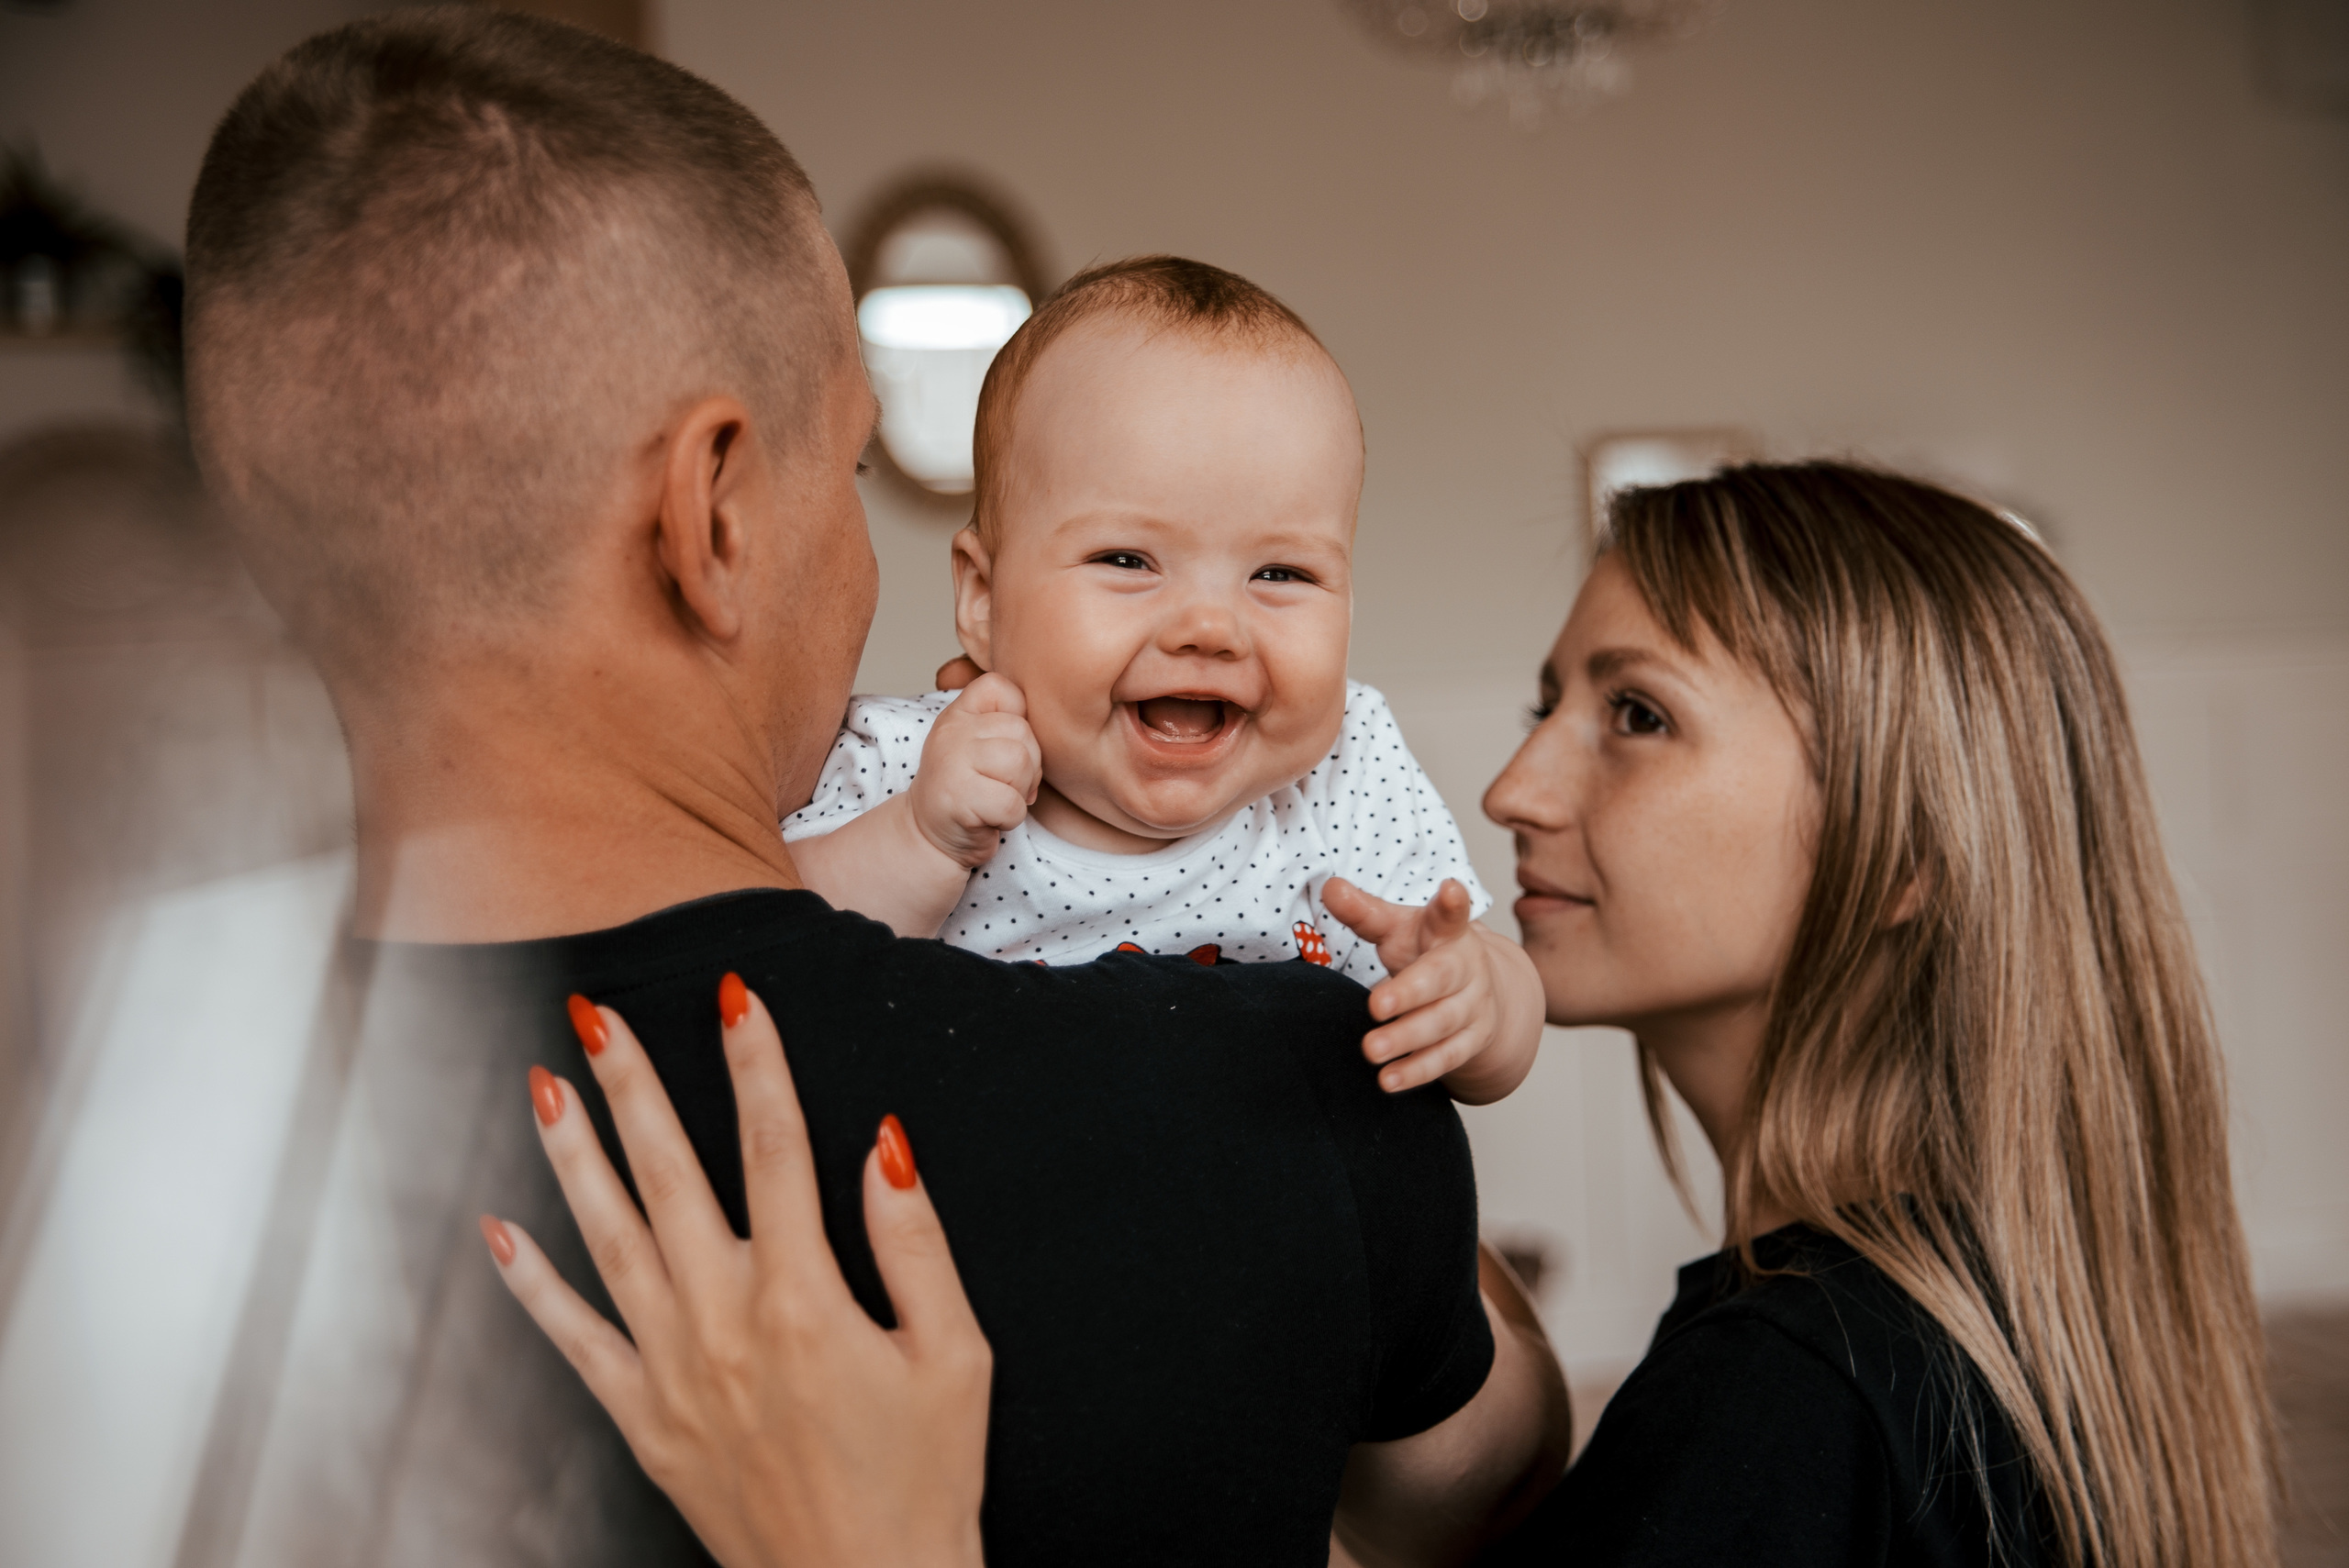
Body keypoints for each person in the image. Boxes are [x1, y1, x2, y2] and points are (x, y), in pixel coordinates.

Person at [180, 7, 1567, 1565]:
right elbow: (1484, 1478)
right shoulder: (1273, 1092)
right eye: (846, 469)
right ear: (711, 519)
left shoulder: (135, 1134)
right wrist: (1387, 1211)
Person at [509, 462, 2281, 1568]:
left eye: (1636, 715)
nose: (1512, 785)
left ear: (1907, 846)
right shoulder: (1925, 1333)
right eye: (1545, 701)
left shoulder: (1799, 1401)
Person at [786, 252, 1542, 1102]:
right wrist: (921, 842)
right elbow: (776, 958)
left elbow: (1500, 1039)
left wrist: (1476, 994)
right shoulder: (913, 762)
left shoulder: (1346, 779)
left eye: (1281, 574)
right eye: (1128, 560)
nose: (1210, 628)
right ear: (985, 599)